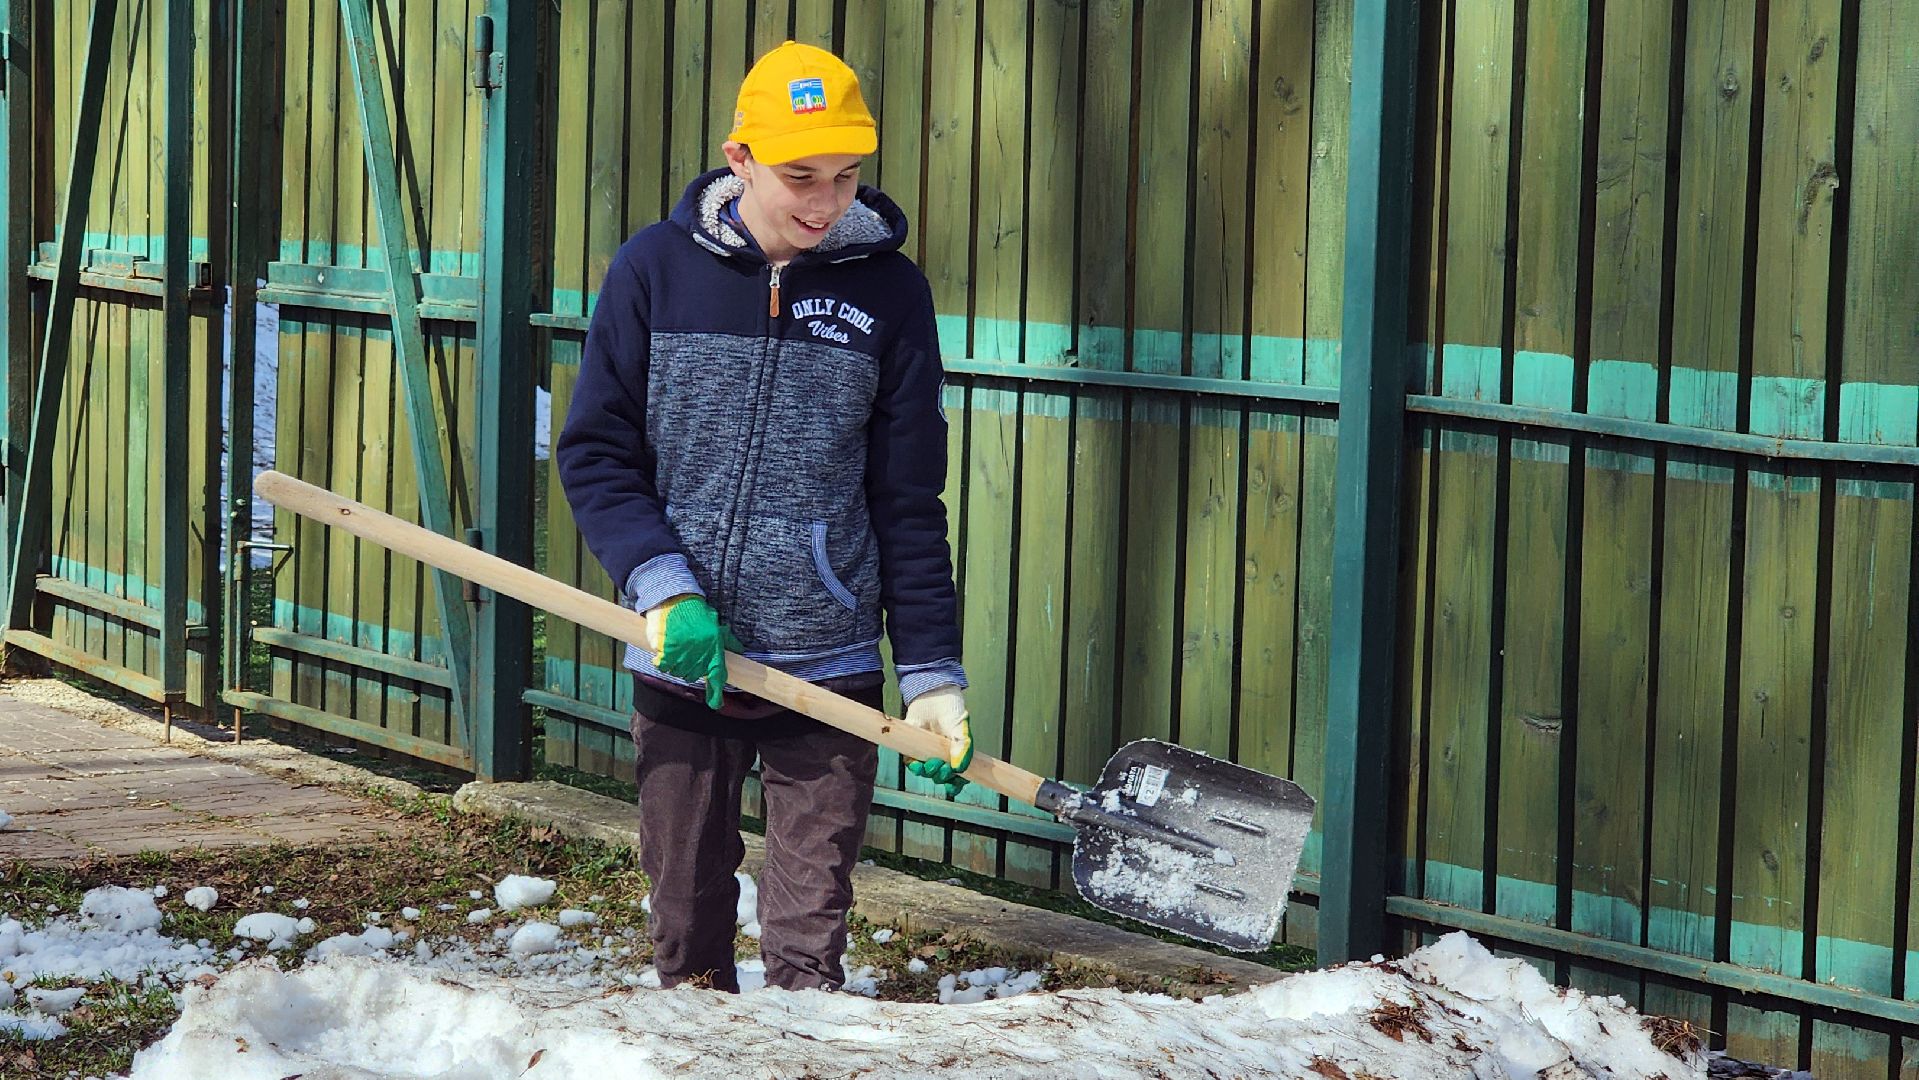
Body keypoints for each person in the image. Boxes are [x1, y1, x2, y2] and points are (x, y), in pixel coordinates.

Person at [555, 40, 970, 993]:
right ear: (739, 158)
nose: (825, 203)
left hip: (826, 667)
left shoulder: (891, 294)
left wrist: (933, 677)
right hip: (685, 660)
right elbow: (597, 454)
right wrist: (664, 588)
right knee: (687, 920)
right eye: (799, 177)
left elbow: (907, 502)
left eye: (845, 175)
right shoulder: (654, 270)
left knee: (806, 939)